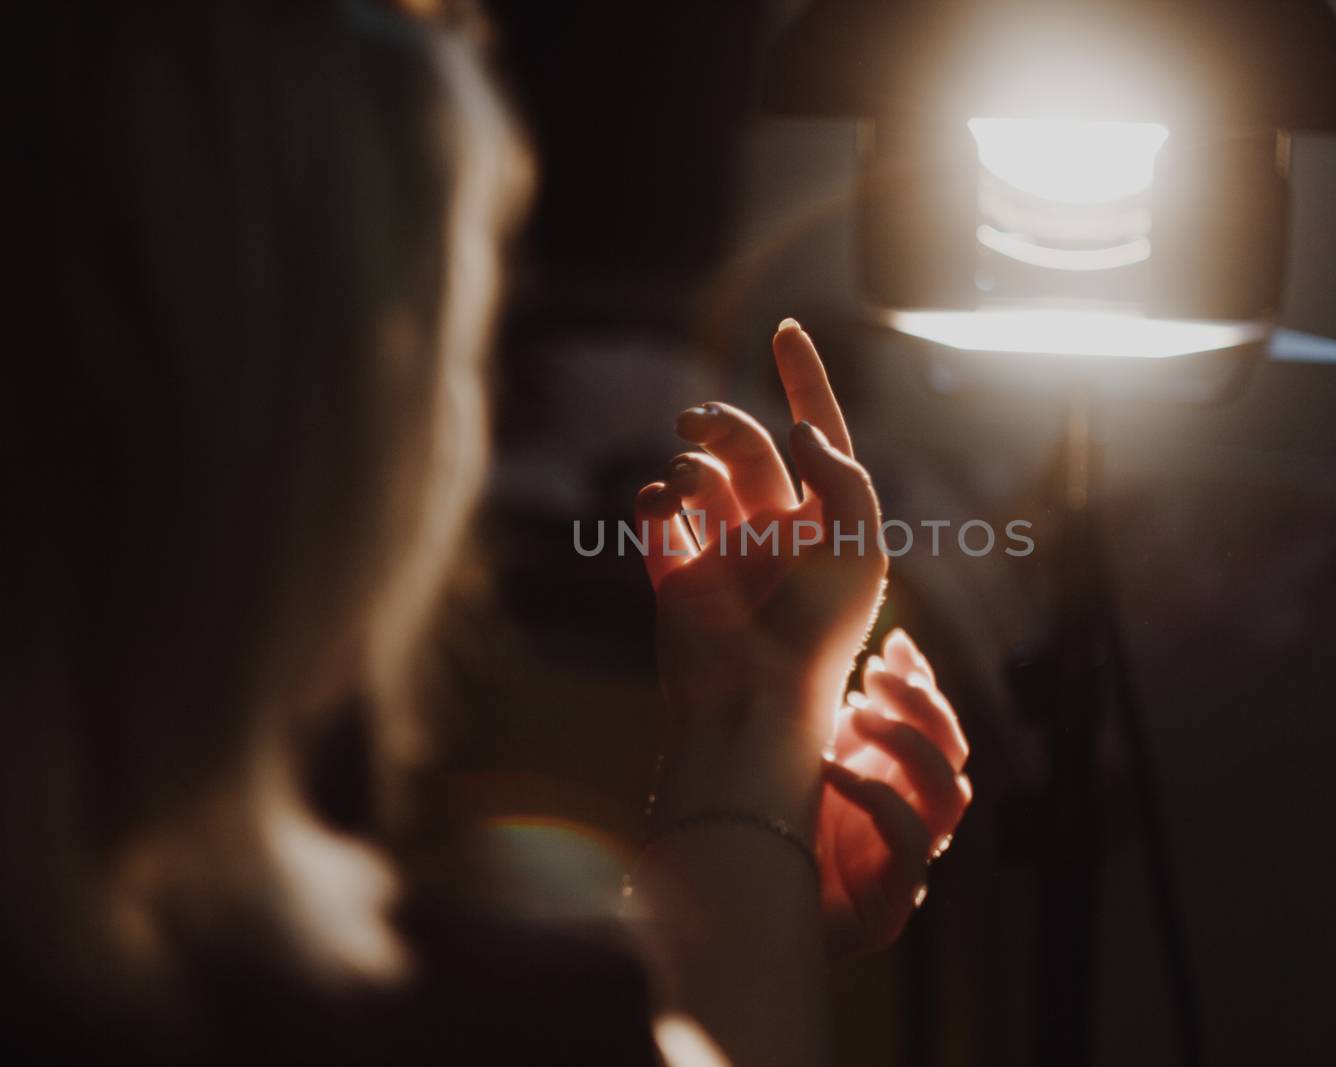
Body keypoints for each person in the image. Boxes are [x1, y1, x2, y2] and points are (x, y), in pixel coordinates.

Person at [0, 3, 971, 1065]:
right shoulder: (479, 1021)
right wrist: (760, 742)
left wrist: (748, 781)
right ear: (315, 450)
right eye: (462, 360)